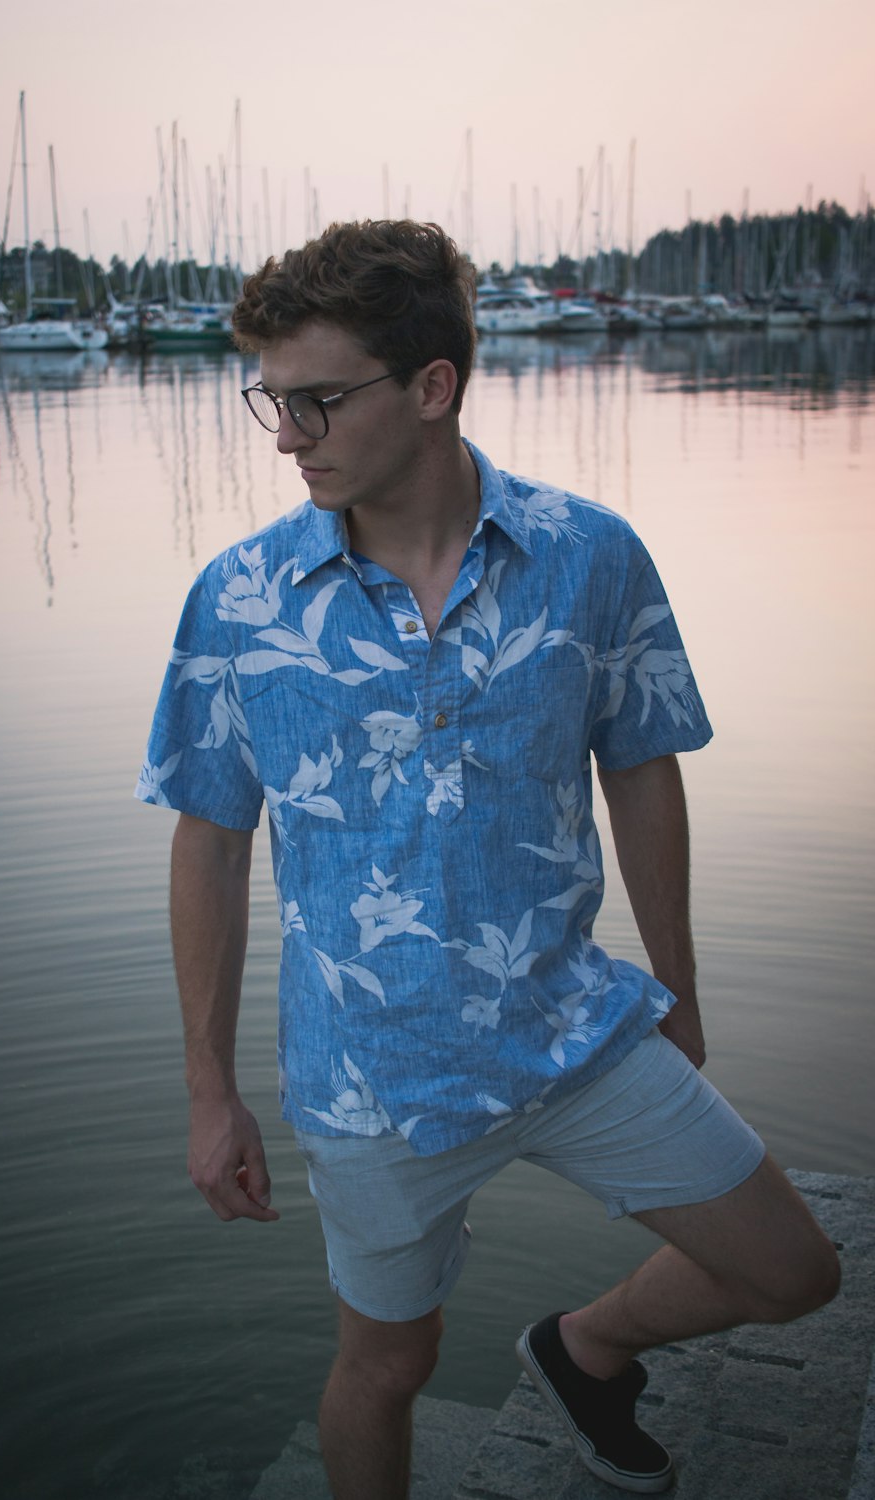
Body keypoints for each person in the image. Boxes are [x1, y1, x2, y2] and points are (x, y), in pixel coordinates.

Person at [136, 220, 840, 1500]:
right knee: (387, 1367)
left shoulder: (588, 556)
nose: (285, 433)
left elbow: (640, 766)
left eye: (314, 399)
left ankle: (586, 1349)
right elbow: (210, 839)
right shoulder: (239, 603)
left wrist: (675, 989)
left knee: (794, 1272)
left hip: (572, 1026)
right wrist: (207, 1088)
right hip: (369, 1076)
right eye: (271, 399)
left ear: (431, 386)